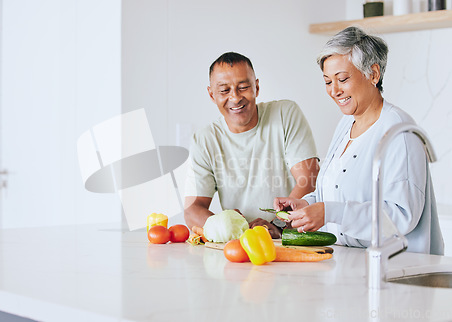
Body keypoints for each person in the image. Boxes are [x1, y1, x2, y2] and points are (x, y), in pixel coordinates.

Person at [274, 26, 444, 255]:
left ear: (373, 74)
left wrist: (329, 212)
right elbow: (335, 190)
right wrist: (308, 204)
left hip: (398, 270)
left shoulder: (399, 132)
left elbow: (400, 217)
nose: (334, 91)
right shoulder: (346, 124)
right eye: (327, 81)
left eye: (342, 79)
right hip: (351, 261)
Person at [184, 52, 320, 239]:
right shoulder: (204, 140)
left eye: (243, 87)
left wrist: (278, 225)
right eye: (224, 90)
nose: (235, 97)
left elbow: (309, 180)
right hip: (241, 245)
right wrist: (227, 228)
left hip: (293, 238)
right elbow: (192, 210)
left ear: (256, 87)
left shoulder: (285, 114)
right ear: (211, 94)